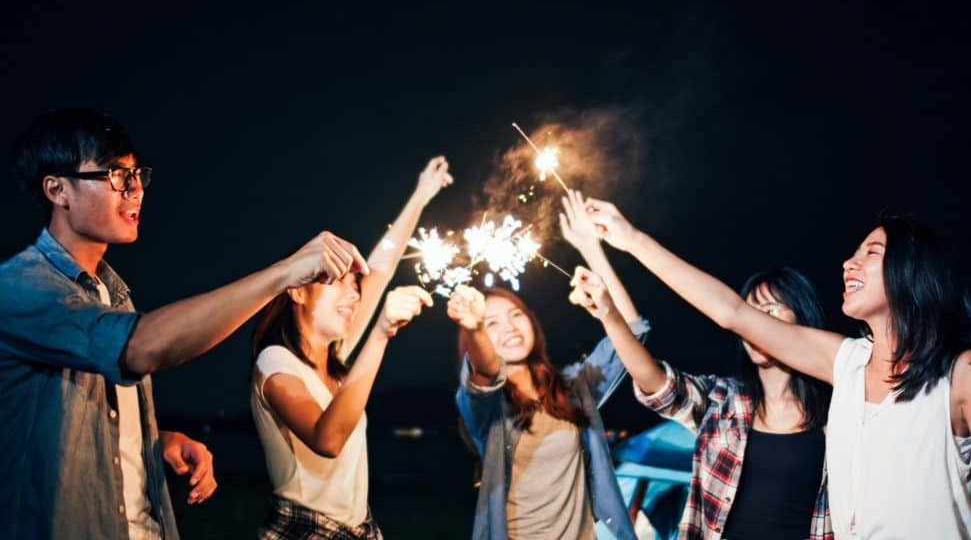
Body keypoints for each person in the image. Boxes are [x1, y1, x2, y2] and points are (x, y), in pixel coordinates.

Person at [0, 108, 367, 539]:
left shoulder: (112, 294)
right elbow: (140, 348)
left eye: (138, 175)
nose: (135, 190)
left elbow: (77, 426)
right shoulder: (20, 288)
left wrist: (156, 443)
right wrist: (283, 273)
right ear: (57, 189)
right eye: (117, 175)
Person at [582, 198, 971, 537]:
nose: (849, 263)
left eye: (870, 252)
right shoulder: (847, 365)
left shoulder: (963, 375)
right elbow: (732, 312)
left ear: (912, 269)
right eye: (852, 253)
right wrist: (630, 238)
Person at [559, 189, 833, 539]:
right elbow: (656, 383)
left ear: (802, 321)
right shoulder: (724, 403)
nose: (754, 323)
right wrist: (609, 314)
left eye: (770, 312)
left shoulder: (838, 411)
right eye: (750, 313)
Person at [249, 157, 451, 539]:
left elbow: (382, 265)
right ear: (296, 289)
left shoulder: (336, 355)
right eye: (336, 282)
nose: (352, 292)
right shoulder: (274, 362)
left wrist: (421, 195)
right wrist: (380, 333)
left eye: (353, 286)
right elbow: (328, 440)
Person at [446, 194, 649, 540]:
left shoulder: (573, 387)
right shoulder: (485, 408)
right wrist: (475, 326)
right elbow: (483, 377)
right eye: (492, 324)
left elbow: (632, 334)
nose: (509, 327)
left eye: (515, 316)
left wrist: (591, 250)